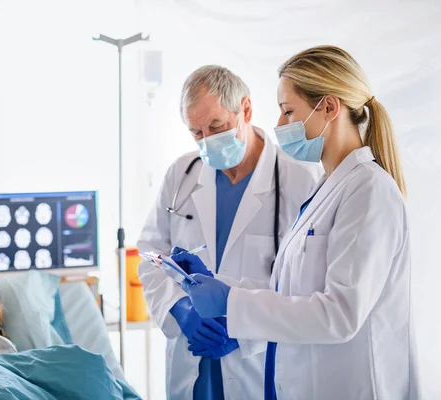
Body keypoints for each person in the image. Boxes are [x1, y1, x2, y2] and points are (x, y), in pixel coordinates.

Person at [176, 45, 417, 400]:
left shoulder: (369, 191)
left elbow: (339, 315)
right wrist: (221, 285)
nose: (277, 126)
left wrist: (231, 302)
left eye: (288, 111)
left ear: (330, 108)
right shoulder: (329, 187)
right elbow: (291, 293)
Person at [137, 65, 322, 399]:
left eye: (217, 126)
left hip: (260, 362)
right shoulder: (182, 174)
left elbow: (307, 284)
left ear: (246, 110)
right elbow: (151, 254)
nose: (207, 141)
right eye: (196, 132)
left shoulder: (300, 180)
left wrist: (243, 329)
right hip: (192, 357)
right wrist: (180, 310)